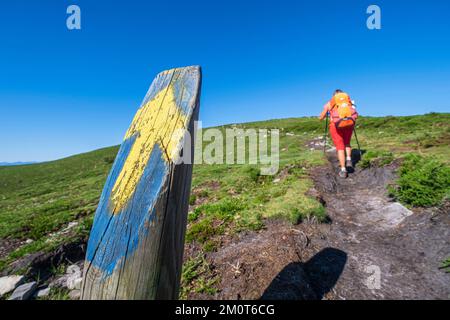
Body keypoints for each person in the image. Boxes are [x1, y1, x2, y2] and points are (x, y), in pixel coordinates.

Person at [319, 89, 358, 178]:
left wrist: (324, 116)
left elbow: (321, 117)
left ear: (334, 96)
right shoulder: (348, 102)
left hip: (335, 126)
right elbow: (354, 113)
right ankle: (348, 159)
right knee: (347, 143)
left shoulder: (329, 103)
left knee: (340, 147)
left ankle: (343, 170)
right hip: (349, 124)